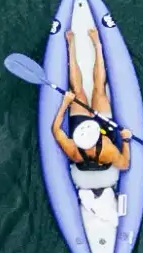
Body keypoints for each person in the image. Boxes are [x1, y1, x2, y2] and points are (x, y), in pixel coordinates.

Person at [51, 20, 130, 174]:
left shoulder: (73, 151)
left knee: (77, 91)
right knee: (99, 90)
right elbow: (125, 165)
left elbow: (55, 130)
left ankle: (71, 46)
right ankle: (97, 45)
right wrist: (126, 140)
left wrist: (65, 103)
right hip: (104, 128)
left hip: (83, 127)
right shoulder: (108, 150)